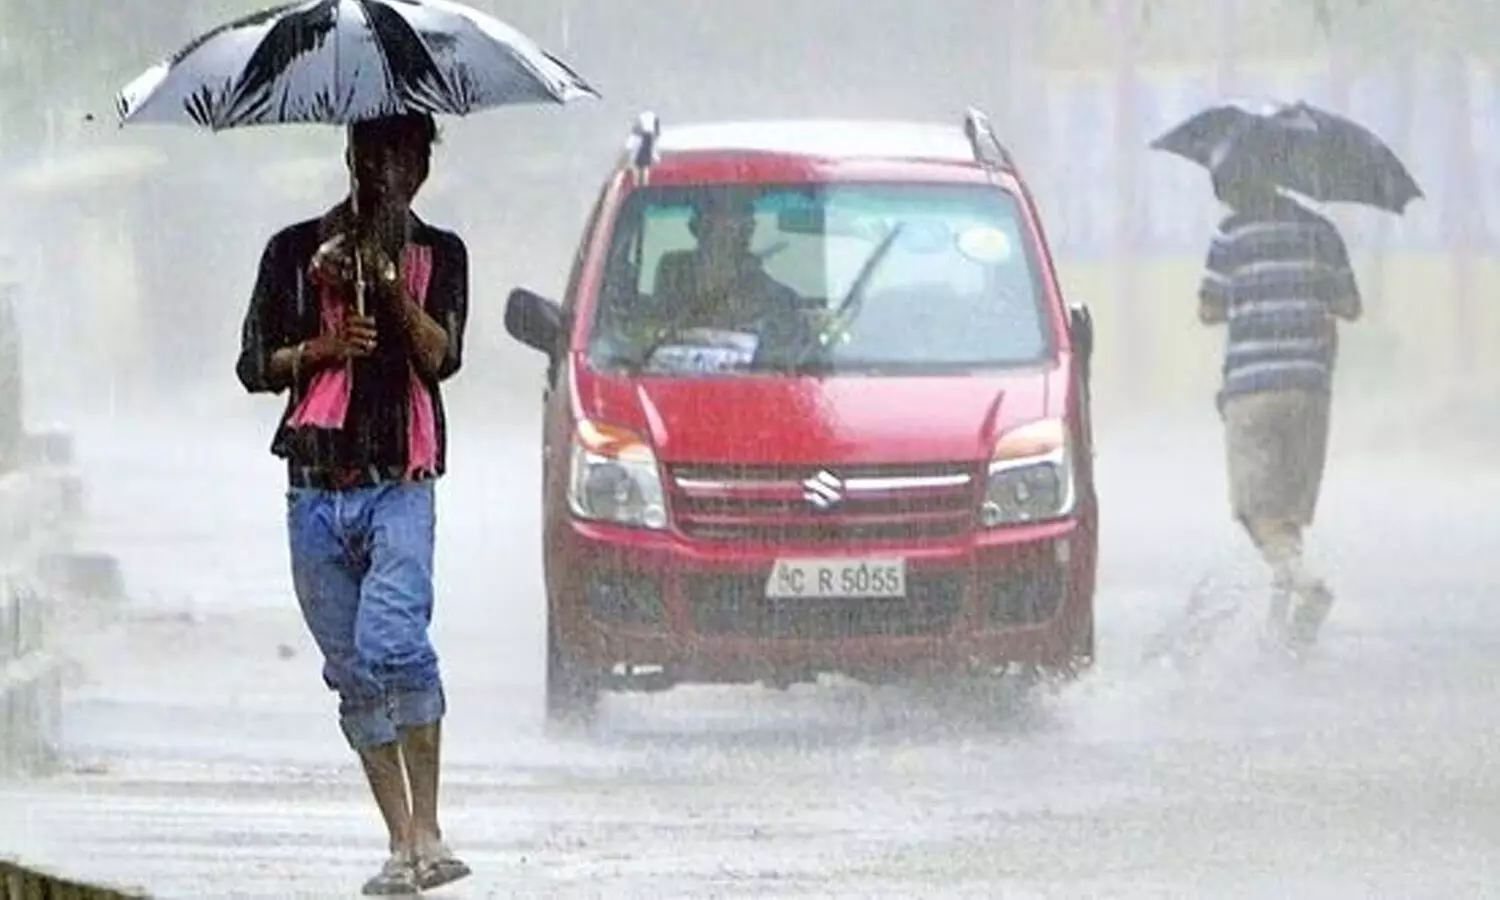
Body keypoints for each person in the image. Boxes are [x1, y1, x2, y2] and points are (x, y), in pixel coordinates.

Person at [235, 112, 471, 896]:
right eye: (373, 158)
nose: (386, 176)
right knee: (350, 668)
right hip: (314, 486)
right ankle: (399, 840)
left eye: (403, 162)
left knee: (395, 642)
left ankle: (431, 826)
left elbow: (444, 355)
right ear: (350, 159)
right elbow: (252, 363)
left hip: (401, 480)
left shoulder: (442, 256)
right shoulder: (293, 253)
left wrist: (394, 290)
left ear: (422, 172)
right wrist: (324, 347)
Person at [1197, 162, 1362, 655]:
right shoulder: (1320, 232)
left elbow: (1209, 309)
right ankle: (1284, 625)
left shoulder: (1230, 236)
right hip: (1310, 388)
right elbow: (1350, 305)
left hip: (1252, 388)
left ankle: (1305, 584)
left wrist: (1247, 296)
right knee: (1287, 510)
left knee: (1254, 508)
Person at [652, 191, 803, 331]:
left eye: (737, 228)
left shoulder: (775, 297)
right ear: (697, 228)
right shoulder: (674, 274)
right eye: (710, 223)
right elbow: (655, 325)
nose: (727, 237)